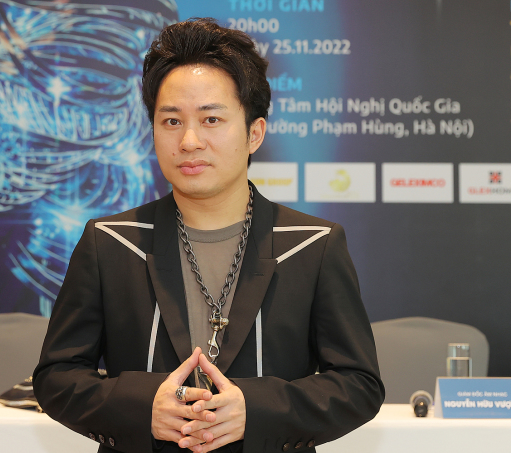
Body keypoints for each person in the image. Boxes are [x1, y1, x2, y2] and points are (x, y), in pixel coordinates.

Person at [33, 17, 384, 453]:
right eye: (171, 121)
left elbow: (358, 384)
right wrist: (143, 408)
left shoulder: (312, 244)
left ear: (254, 133)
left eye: (211, 119)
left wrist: (256, 411)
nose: (190, 141)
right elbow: (57, 376)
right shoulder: (110, 242)